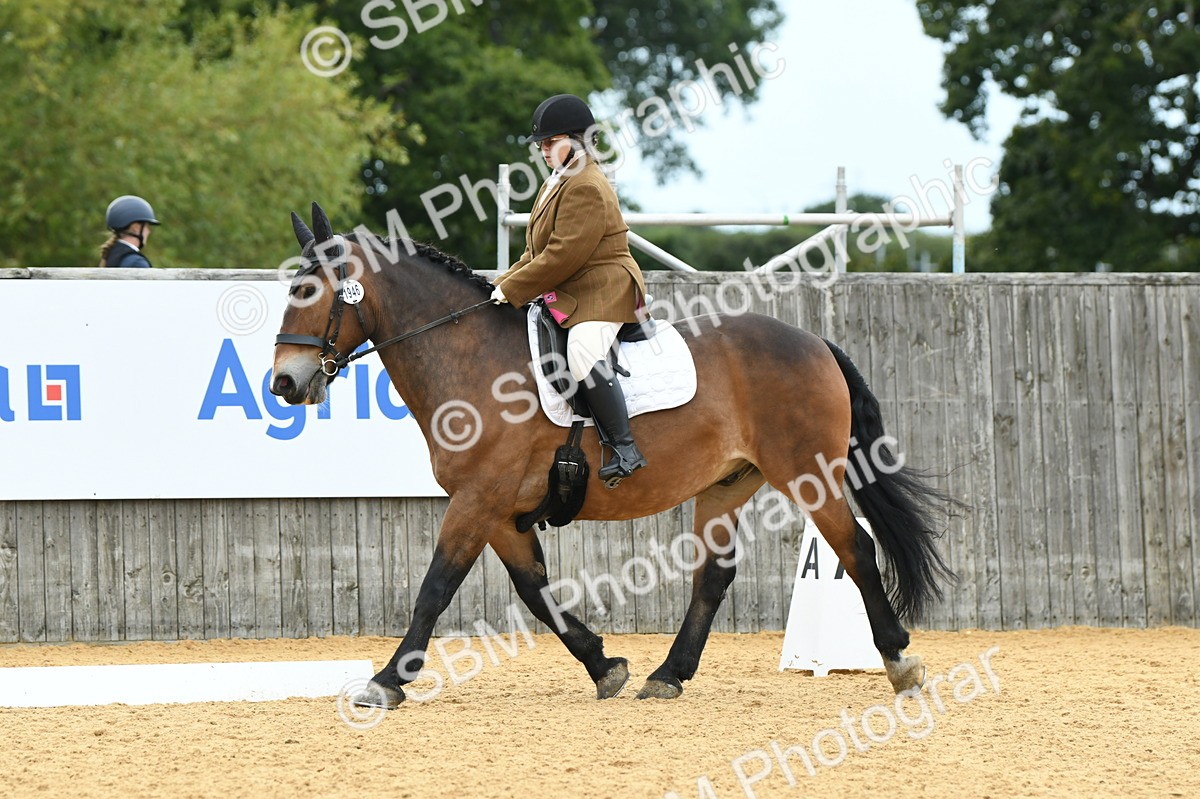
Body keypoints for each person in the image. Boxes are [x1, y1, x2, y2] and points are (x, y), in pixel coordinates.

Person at [491, 93, 649, 483]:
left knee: (582, 351)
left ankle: (625, 447)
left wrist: (513, 292)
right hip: (574, 287)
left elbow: (562, 256)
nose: (544, 151)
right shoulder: (557, 181)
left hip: (603, 288)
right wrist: (498, 286)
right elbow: (535, 253)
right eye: (541, 145)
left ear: (578, 139)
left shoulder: (586, 186)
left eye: (551, 142)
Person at [99, 195, 160, 268]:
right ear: (136, 227)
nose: (149, 232)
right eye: (146, 226)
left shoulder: (112, 254)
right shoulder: (136, 262)